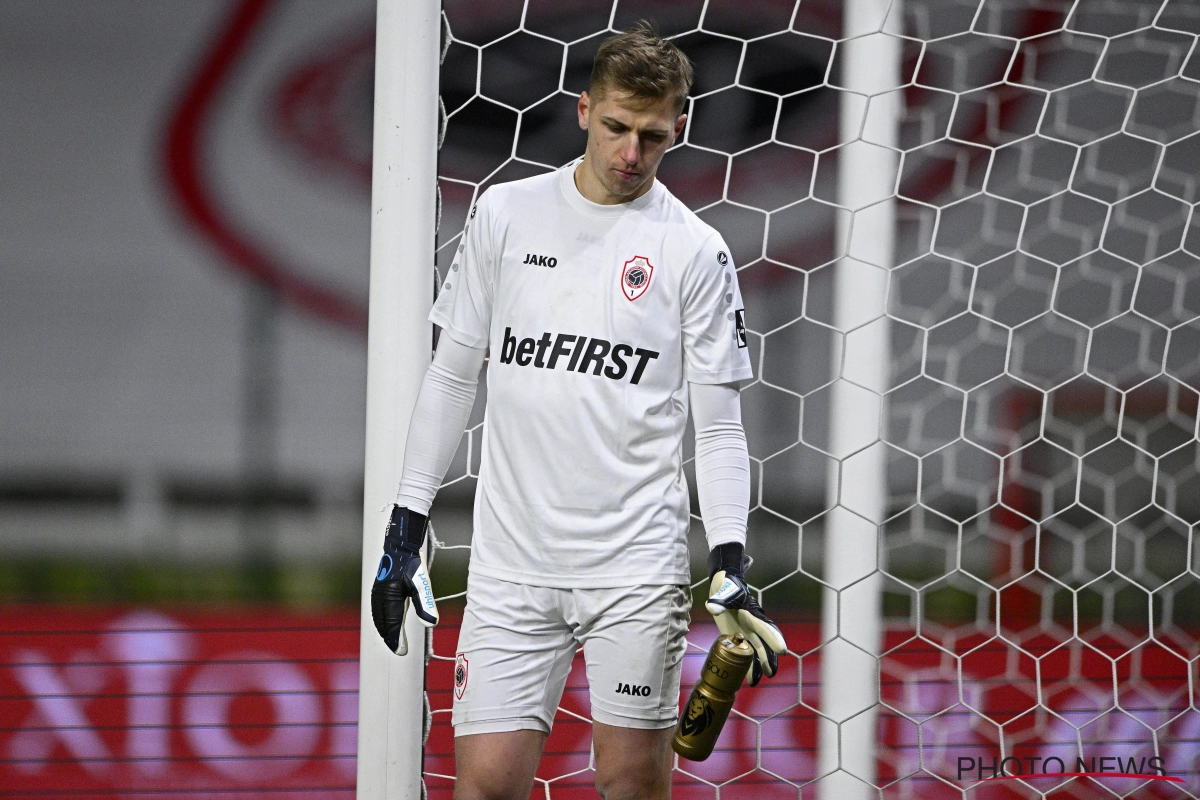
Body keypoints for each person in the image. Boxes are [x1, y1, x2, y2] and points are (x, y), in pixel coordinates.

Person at [370, 23, 787, 800]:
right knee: (486, 786)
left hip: (635, 567)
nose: (631, 154)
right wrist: (404, 528)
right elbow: (452, 378)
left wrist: (729, 563)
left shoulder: (695, 250)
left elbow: (720, 424)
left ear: (680, 128)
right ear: (583, 109)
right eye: (619, 129)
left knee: (631, 783)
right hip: (510, 565)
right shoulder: (505, 215)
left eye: (653, 137)